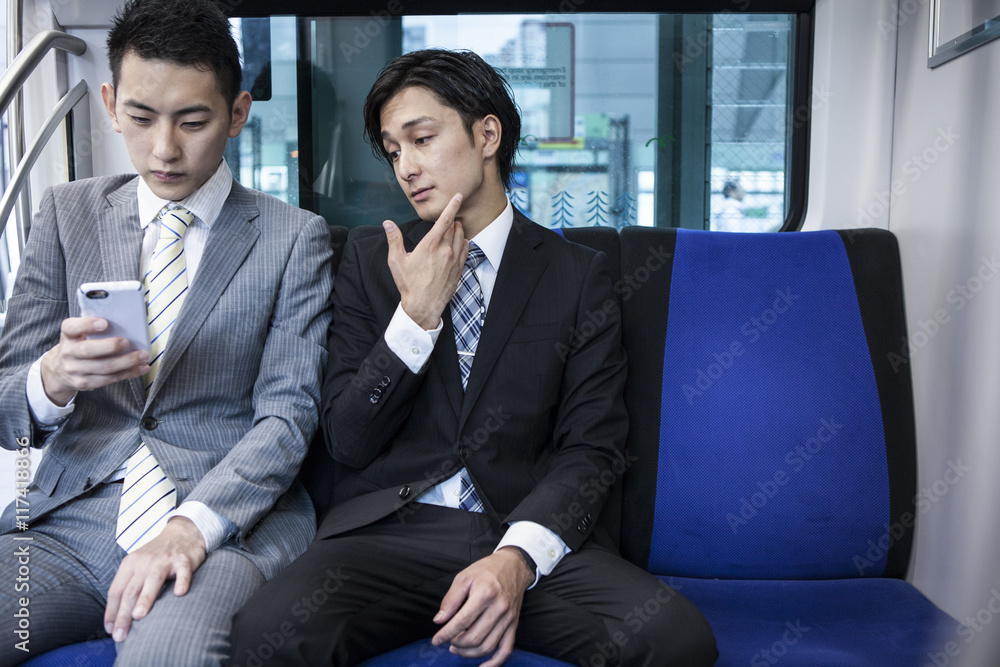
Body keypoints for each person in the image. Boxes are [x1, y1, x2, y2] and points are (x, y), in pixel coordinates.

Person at [229, 49, 717, 667]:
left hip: (520, 530)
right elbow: (346, 440)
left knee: (674, 640)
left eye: (422, 139)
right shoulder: (368, 261)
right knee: (265, 635)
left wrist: (516, 561)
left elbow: (592, 447)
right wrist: (414, 320)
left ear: (487, 135)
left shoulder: (575, 275)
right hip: (388, 536)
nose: (406, 166)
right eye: (394, 150)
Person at [0, 0, 332, 664]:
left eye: (193, 121)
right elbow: (9, 407)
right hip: (66, 525)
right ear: (110, 103)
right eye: (142, 117)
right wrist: (52, 380)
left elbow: (288, 416)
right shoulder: (67, 215)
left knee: (166, 654)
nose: (165, 149)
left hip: (221, 526)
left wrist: (190, 526)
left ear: (237, 114)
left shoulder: (294, 238)